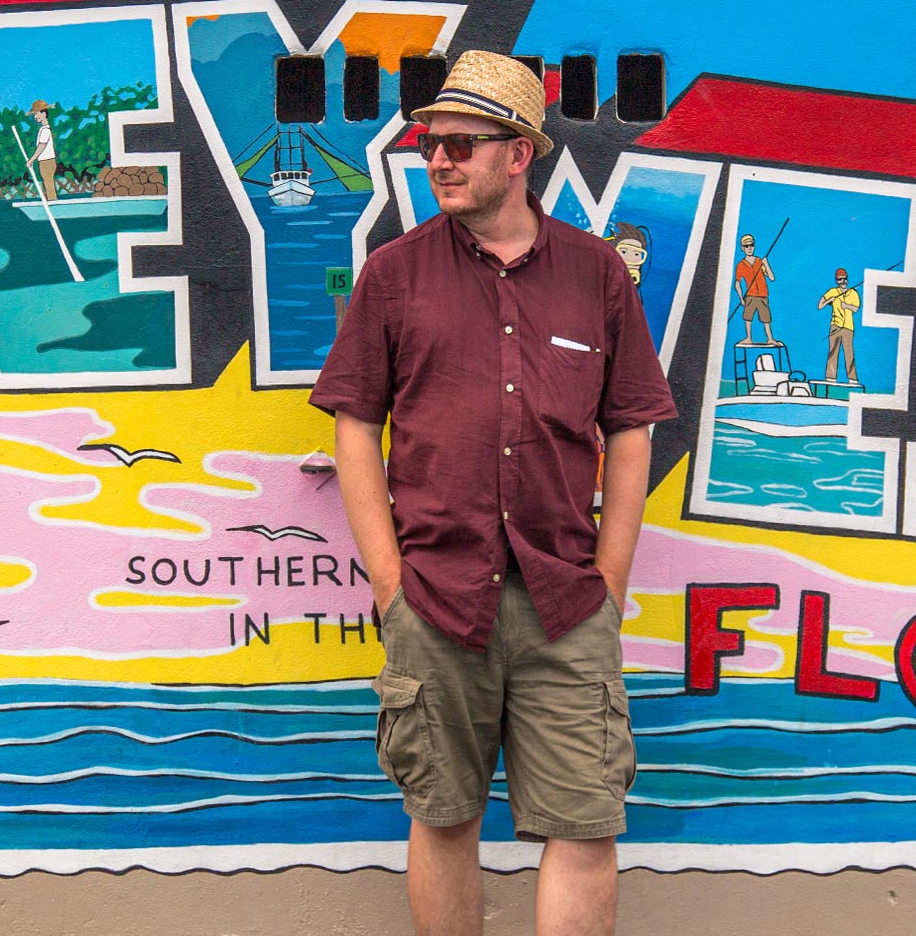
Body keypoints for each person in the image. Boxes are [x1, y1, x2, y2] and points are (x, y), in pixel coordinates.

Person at [311, 49, 676, 936]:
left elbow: (632, 426)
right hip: (436, 600)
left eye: (463, 145)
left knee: (586, 827)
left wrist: (611, 579)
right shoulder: (396, 275)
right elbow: (354, 423)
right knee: (443, 820)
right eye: (432, 144)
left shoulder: (595, 275)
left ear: (520, 154)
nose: (439, 160)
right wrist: (392, 586)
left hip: (567, 601)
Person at [818, 267, 861, 385]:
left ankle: (853, 379)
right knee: (833, 352)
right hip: (835, 326)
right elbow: (820, 306)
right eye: (840, 279)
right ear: (836, 281)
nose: (843, 281)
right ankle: (830, 378)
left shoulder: (853, 293)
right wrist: (829, 300)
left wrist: (846, 305)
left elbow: (856, 308)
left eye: (845, 279)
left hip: (848, 327)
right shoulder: (832, 292)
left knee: (849, 353)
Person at [733, 234, 777, 346]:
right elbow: (737, 283)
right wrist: (741, 298)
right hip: (750, 295)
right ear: (742, 248)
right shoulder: (741, 265)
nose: (749, 248)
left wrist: (766, 264)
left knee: (766, 318)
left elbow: (771, 278)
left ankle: (770, 338)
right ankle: (748, 338)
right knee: (748, 317)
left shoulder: (759, 262)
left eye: (751, 245)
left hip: (762, 294)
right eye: (746, 246)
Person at [29, 99, 58, 201]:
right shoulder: (43, 129)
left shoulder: (45, 130)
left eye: (37, 113)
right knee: (46, 182)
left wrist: (31, 160)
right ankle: (50, 201)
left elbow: (41, 147)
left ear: (44, 114)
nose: (35, 117)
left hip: (47, 161)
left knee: (48, 182)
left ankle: (52, 201)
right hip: (45, 161)